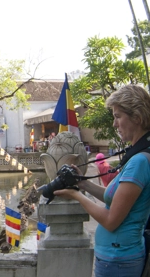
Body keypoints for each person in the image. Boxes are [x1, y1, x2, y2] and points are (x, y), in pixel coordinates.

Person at [54, 84, 150, 277]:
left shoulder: (139, 161)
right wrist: (83, 183)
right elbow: (114, 198)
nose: (114, 124)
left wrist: (76, 195)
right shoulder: (138, 155)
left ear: (137, 118)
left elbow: (110, 220)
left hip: (119, 260)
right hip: (116, 257)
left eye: (118, 116)